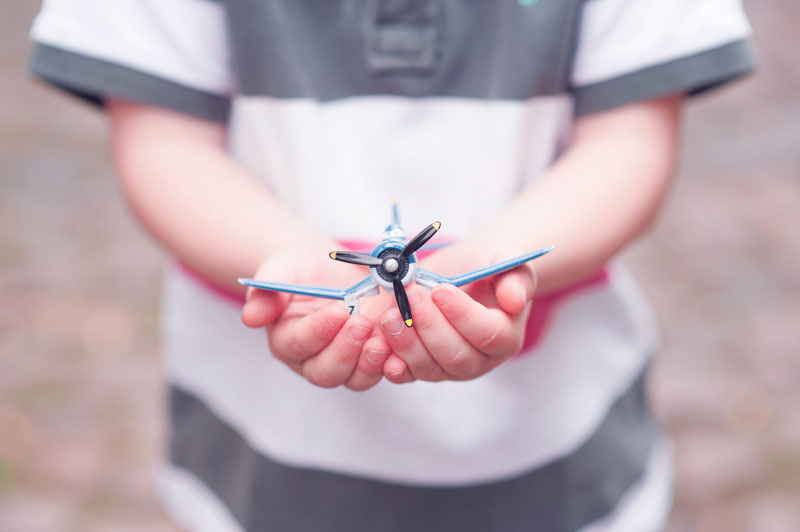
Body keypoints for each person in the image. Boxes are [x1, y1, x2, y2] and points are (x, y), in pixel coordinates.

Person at [30, 1, 754, 530]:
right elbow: (163, 145)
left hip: (558, 461)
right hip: (263, 465)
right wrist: (284, 266)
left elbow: (630, 142)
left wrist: (498, 264)